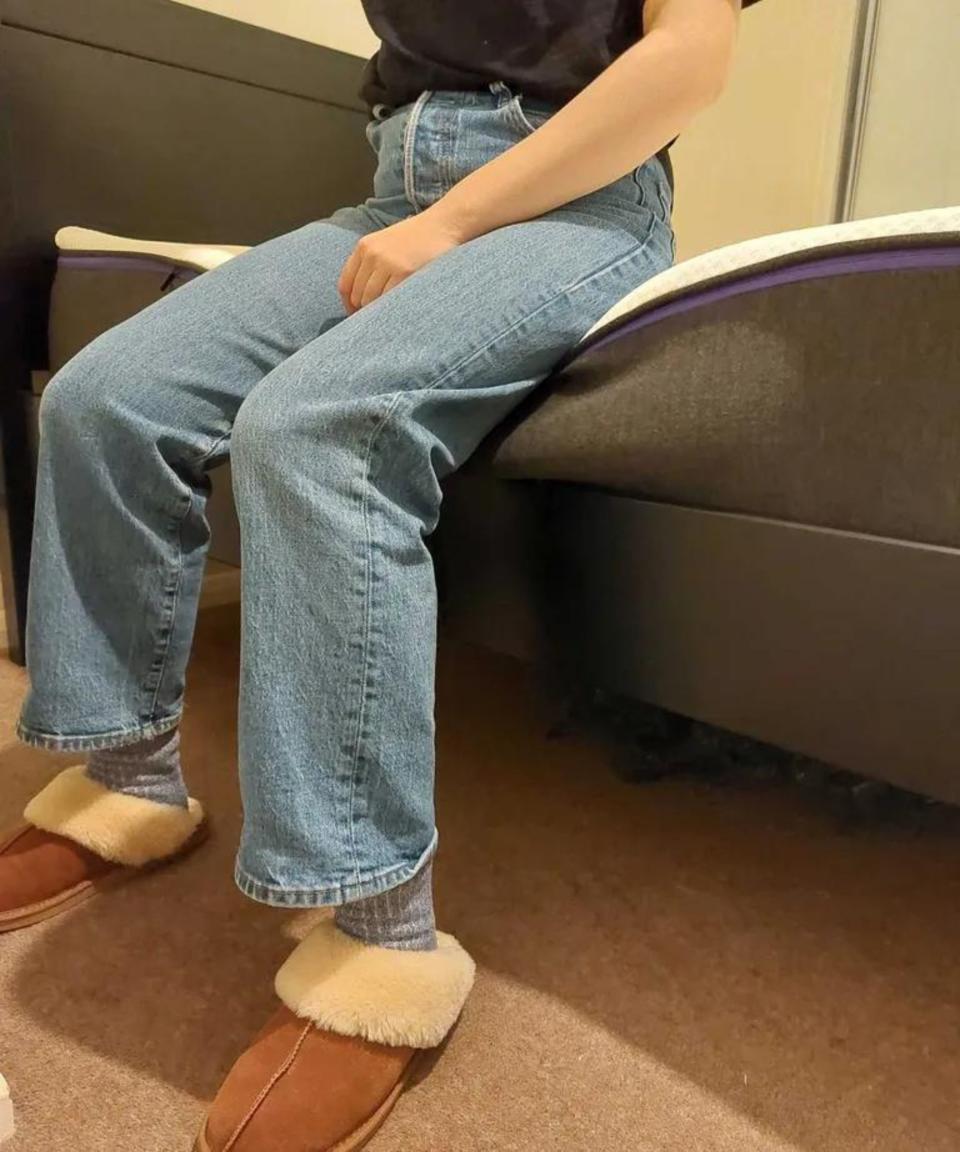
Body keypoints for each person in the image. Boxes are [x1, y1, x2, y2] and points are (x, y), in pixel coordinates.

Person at [1, 1, 760, 1148]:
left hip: (580, 199)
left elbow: (689, 61)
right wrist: (425, 215)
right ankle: (127, 782)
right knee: (106, 398)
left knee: (314, 429)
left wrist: (453, 224)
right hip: (396, 181)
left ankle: (378, 943)